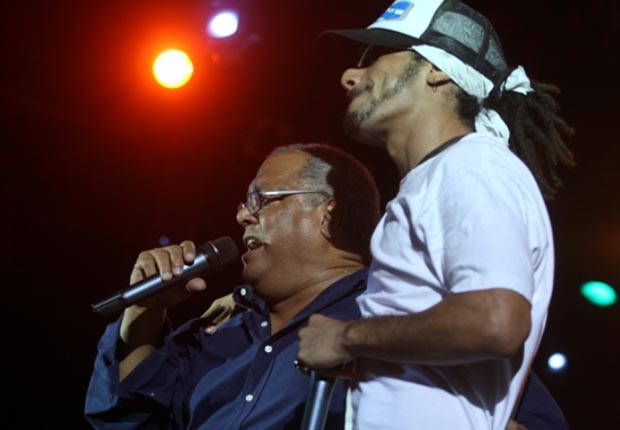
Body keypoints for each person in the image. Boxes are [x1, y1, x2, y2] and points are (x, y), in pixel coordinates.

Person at [296, 1, 575, 429]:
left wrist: (345, 338)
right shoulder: (445, 177)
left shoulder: (471, 167)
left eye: (376, 57)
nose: (350, 76)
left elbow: (496, 320)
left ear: (438, 69)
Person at [84, 143, 382, 429]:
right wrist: (144, 311)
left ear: (330, 214)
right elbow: (128, 420)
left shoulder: (387, 315)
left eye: (261, 199)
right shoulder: (217, 332)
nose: (242, 216)